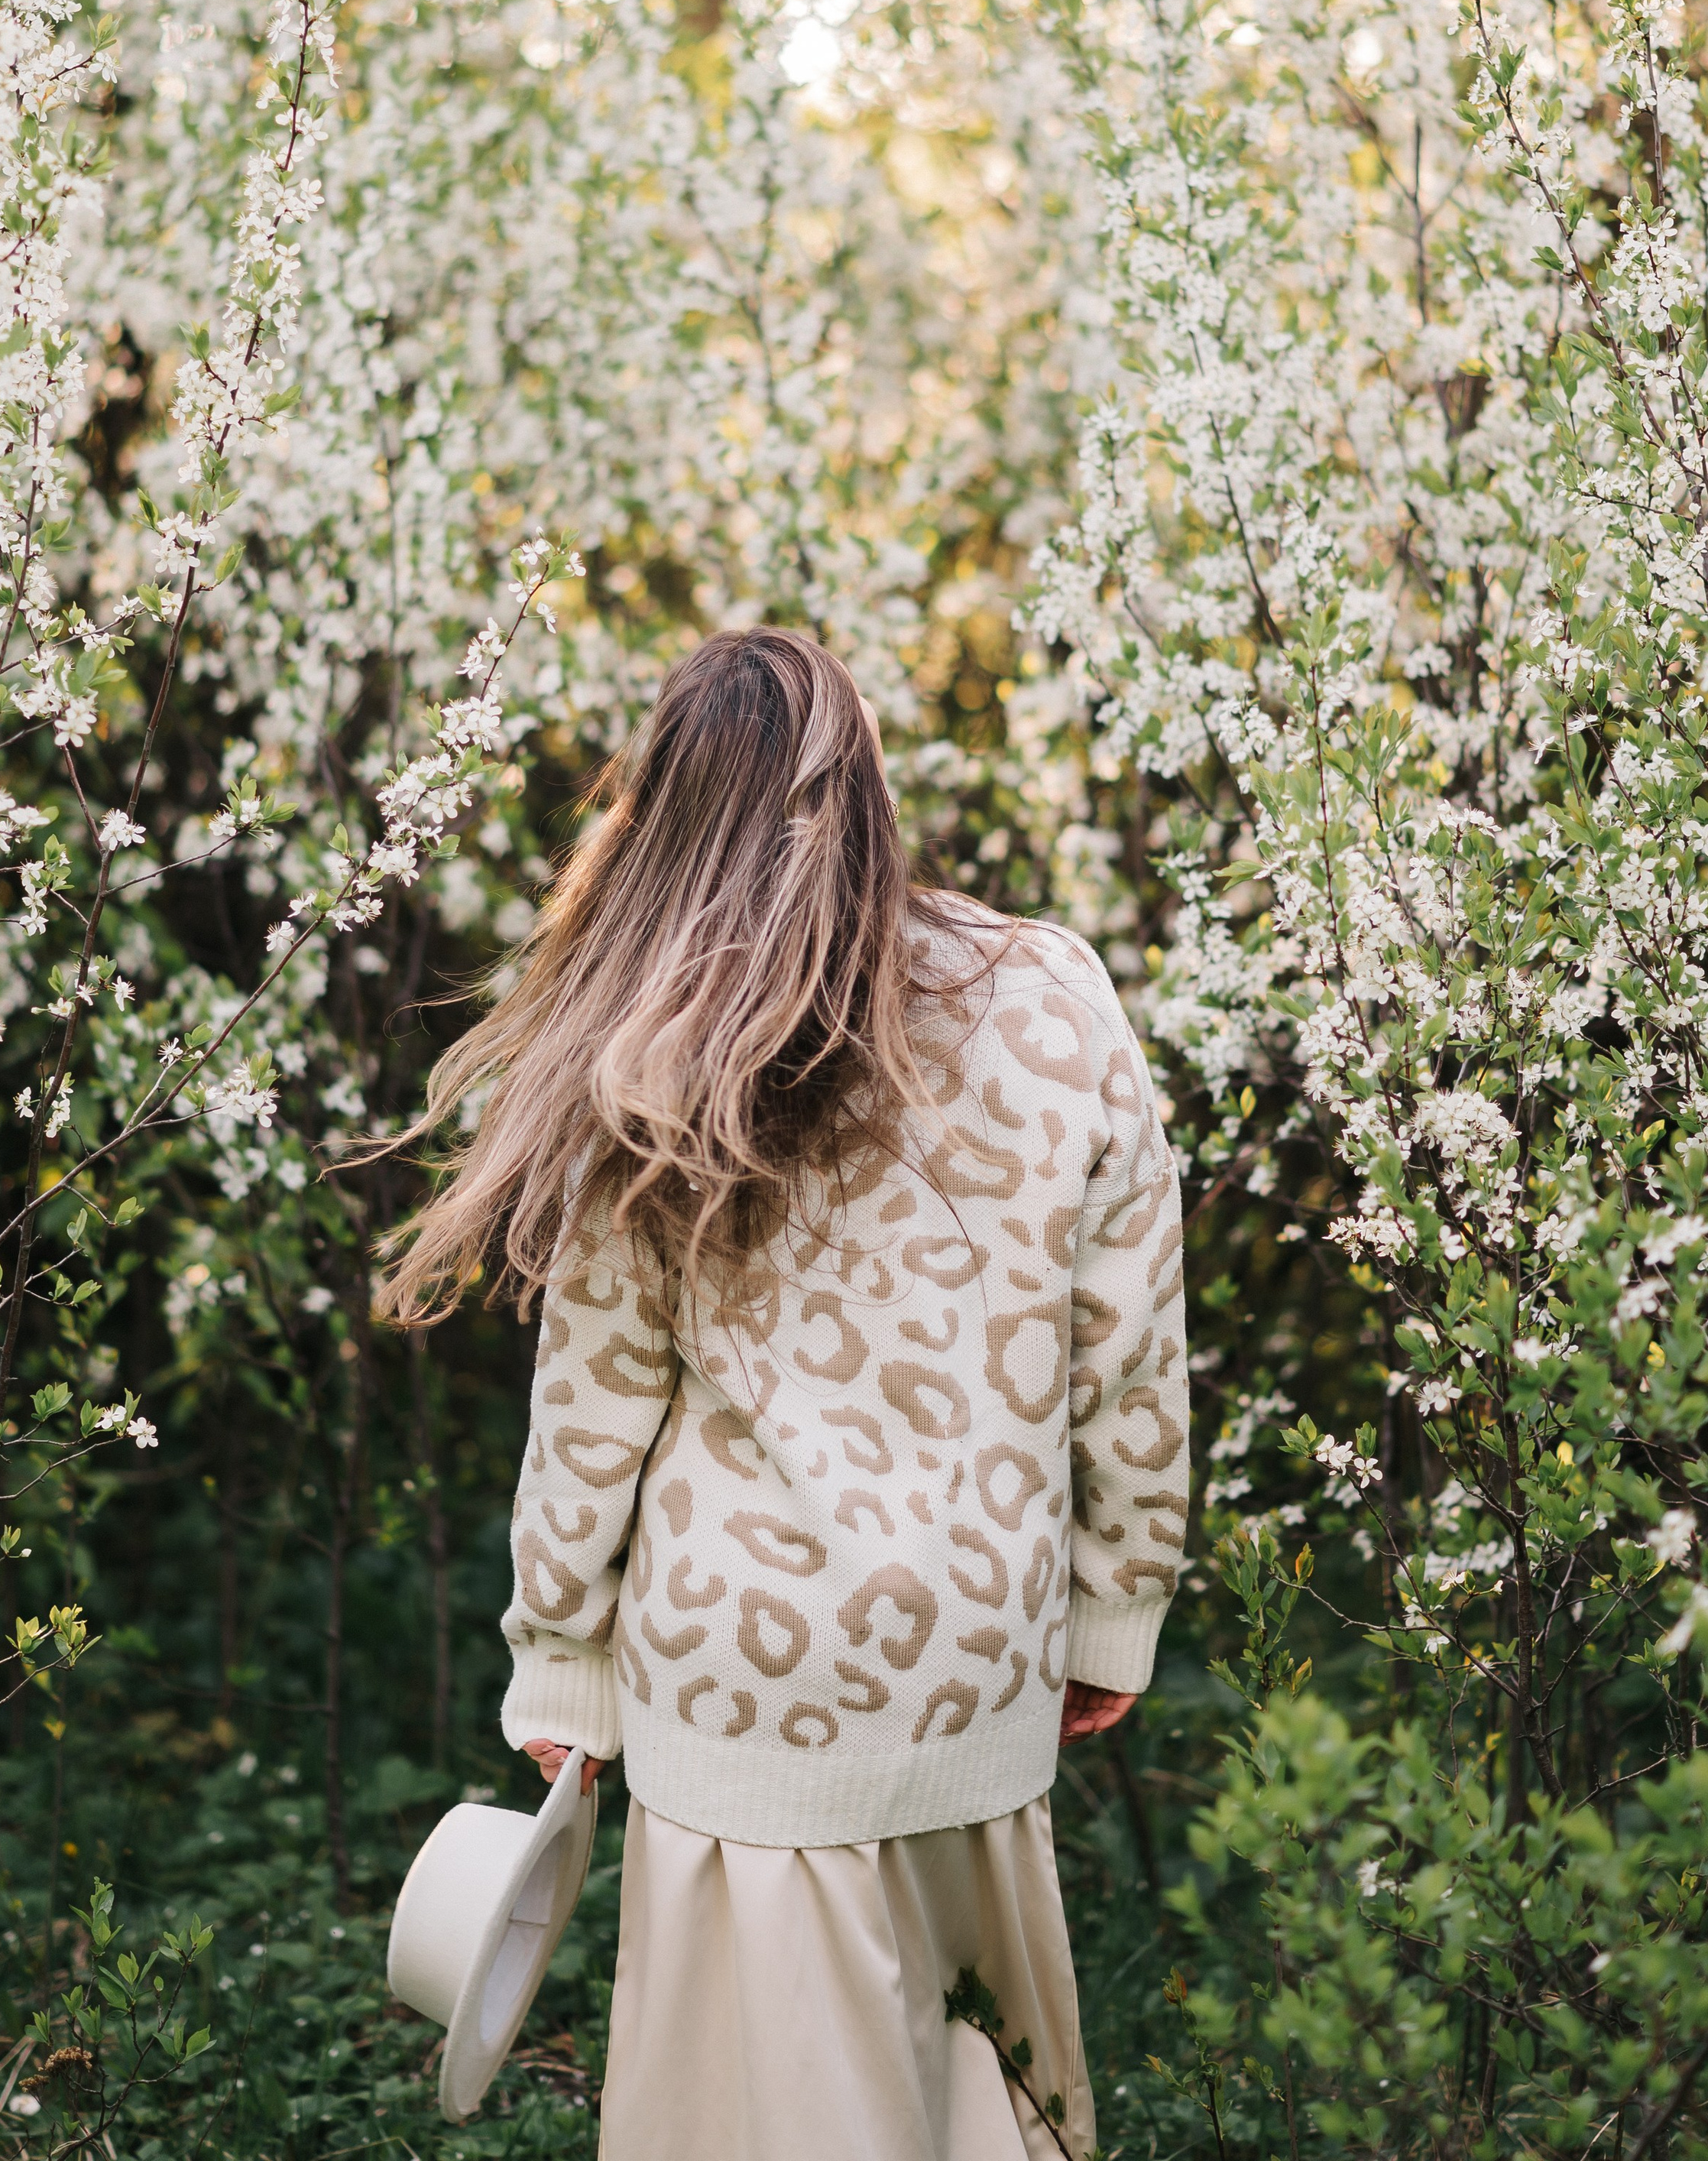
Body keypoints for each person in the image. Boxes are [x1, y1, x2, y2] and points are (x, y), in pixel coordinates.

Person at [381, 627, 1188, 2161]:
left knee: (755, 2117)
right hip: (973, 1648)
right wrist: (1111, 1604)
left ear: (669, 816)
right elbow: (1130, 1341)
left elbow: (598, 1393)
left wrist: (559, 1656)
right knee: (979, 2088)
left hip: (735, 1682)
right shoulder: (1055, 996)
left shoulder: (654, 1046)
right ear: (869, 787)